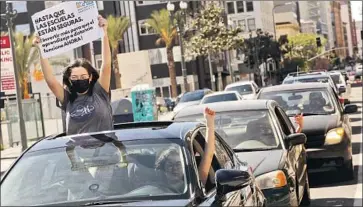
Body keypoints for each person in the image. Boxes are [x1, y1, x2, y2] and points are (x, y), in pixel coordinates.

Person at [33, 15, 112, 135]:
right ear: (69, 80)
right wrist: (40, 49)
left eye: (83, 77)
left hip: (105, 151)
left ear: (90, 78)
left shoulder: (100, 92)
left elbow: (106, 66)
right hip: (78, 152)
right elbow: (50, 80)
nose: (79, 80)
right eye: (74, 77)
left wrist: (104, 33)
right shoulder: (67, 99)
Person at [155, 107, 216, 192]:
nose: (174, 169)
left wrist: (210, 123)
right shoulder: (155, 189)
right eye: (170, 165)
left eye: (178, 164)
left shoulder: (194, 186)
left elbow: (208, 156)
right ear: (163, 168)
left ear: (185, 167)